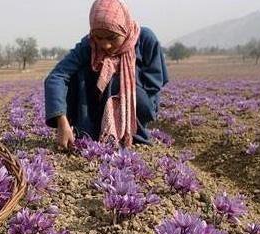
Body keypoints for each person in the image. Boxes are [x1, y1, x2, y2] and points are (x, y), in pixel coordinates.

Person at [44, 0, 168, 149]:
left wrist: (120, 78)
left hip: (138, 105)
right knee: (79, 72)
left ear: (124, 28)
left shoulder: (145, 39)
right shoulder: (89, 44)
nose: (104, 45)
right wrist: (62, 121)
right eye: (98, 37)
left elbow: (154, 83)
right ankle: (88, 128)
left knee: (115, 77)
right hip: (98, 105)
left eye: (112, 37)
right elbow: (57, 76)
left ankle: (130, 133)